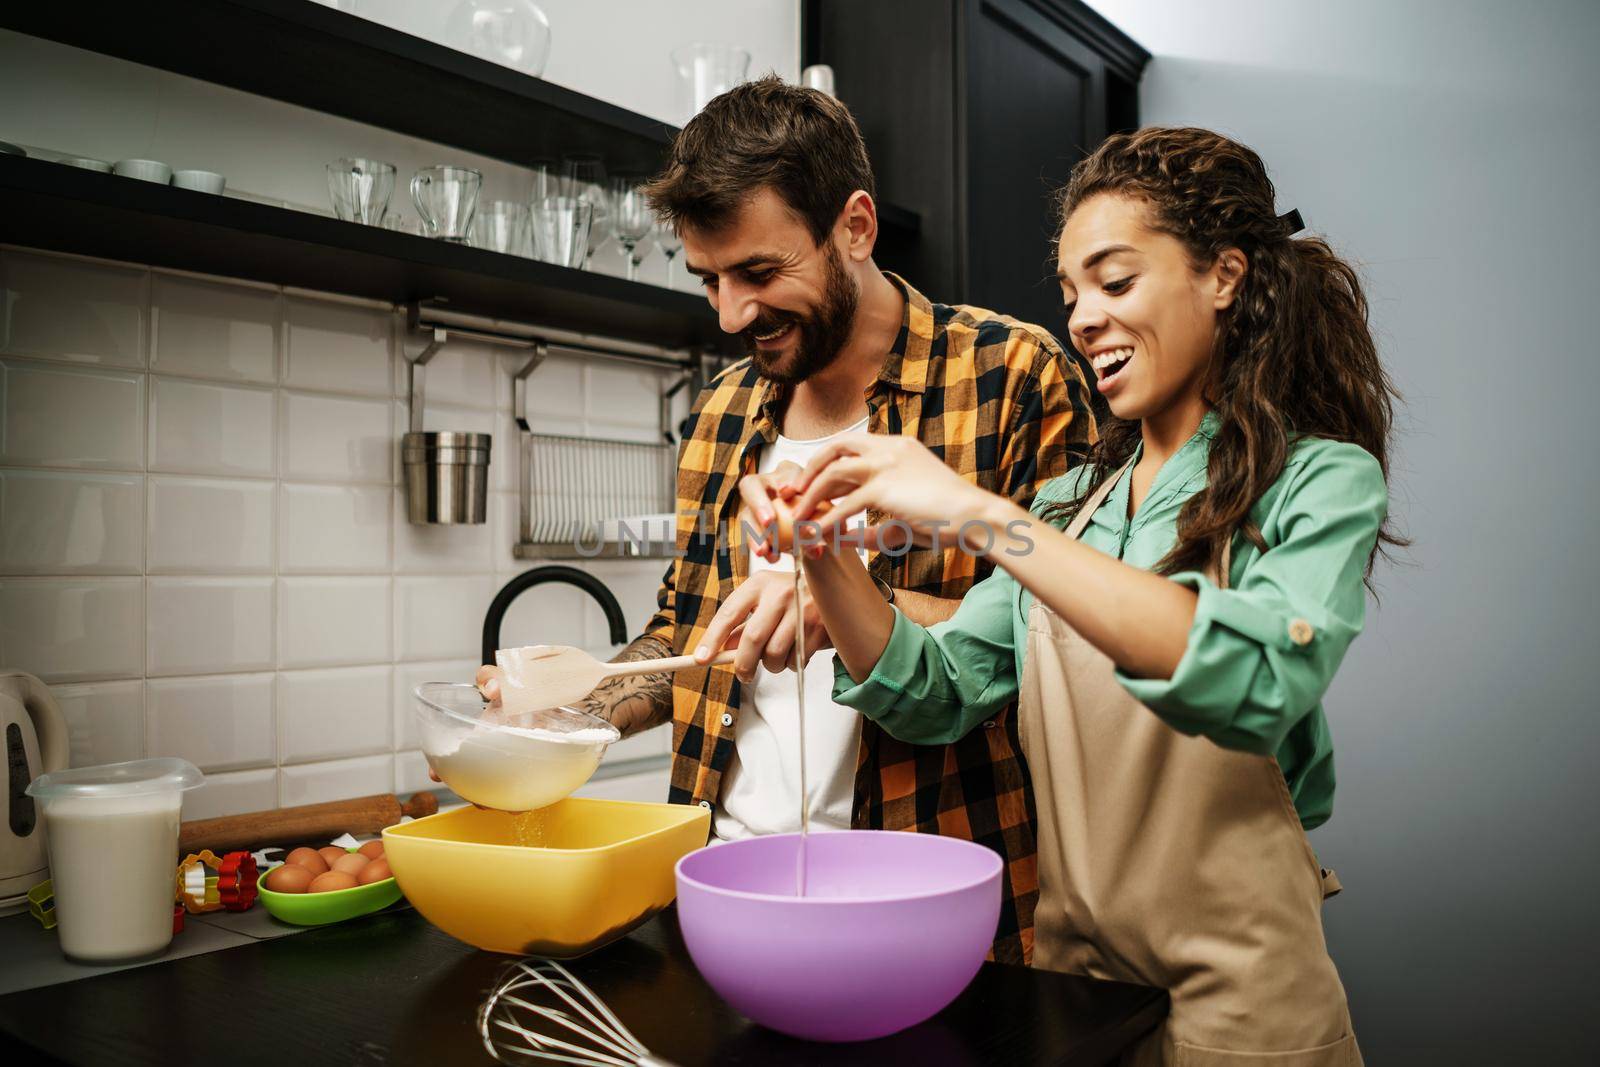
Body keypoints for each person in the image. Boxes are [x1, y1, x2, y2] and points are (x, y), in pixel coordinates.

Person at [707, 127, 1399, 1064]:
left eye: (1115, 283)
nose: (1081, 319)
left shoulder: (1319, 479)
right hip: (1073, 995)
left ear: (1224, 276)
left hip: (1245, 1006)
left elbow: (1257, 672)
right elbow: (937, 688)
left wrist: (979, 516)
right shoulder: (1071, 506)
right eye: (1071, 294)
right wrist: (826, 556)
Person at [480, 77, 1096, 964]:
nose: (732, 314)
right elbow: (684, 631)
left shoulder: (1013, 375)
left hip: (931, 904)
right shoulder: (724, 408)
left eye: (761, 273)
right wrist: (566, 714)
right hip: (727, 894)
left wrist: (845, 606)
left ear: (855, 226)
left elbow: (1067, 642)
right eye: (710, 281)